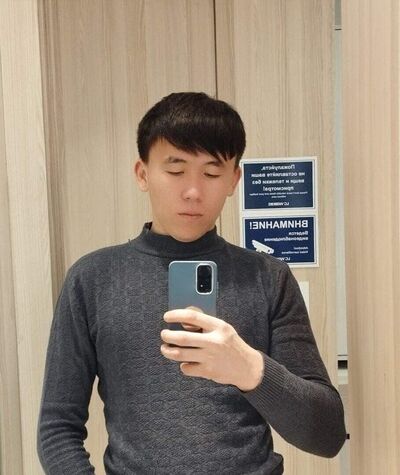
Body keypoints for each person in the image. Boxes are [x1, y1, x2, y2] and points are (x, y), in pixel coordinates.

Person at [37, 92, 346, 474]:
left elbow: (327, 435)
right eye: (176, 170)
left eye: (212, 173)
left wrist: (251, 370)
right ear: (142, 174)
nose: (193, 191)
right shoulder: (92, 278)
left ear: (234, 180)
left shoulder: (268, 278)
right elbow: (57, 428)